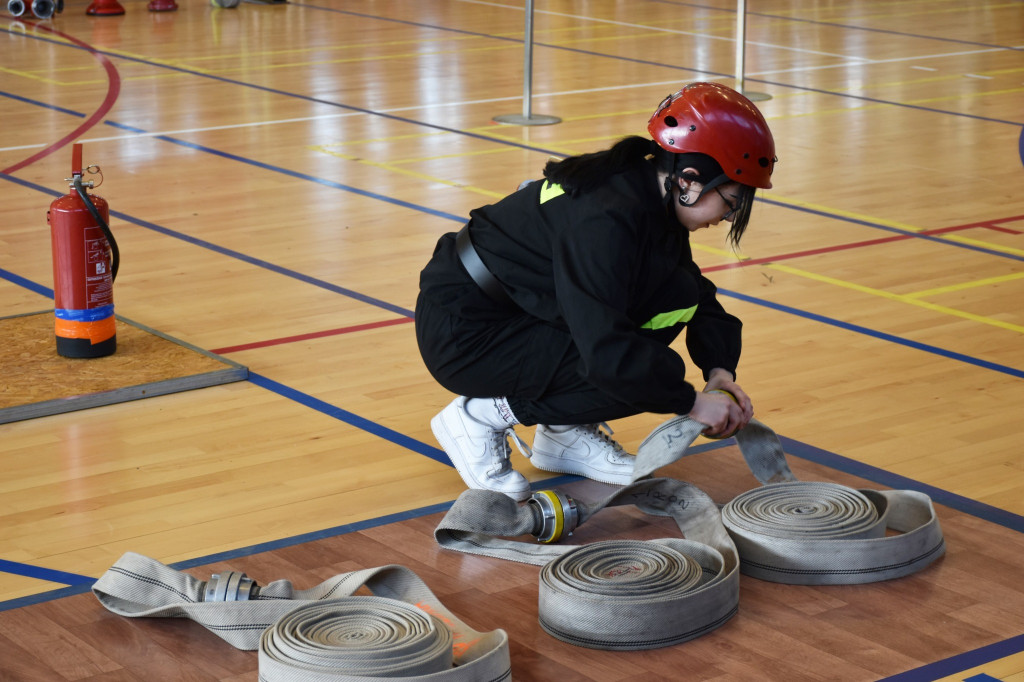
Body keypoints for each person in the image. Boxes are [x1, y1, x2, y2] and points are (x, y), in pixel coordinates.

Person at [415, 81, 777, 502]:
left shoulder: (646, 191)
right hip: (467, 334)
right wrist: (691, 403)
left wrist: (720, 371)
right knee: (635, 368)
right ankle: (479, 417)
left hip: (517, 311)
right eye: (731, 202)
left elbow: (692, 293)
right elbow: (608, 354)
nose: (728, 217)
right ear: (690, 180)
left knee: (668, 303)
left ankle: (563, 435)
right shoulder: (607, 219)